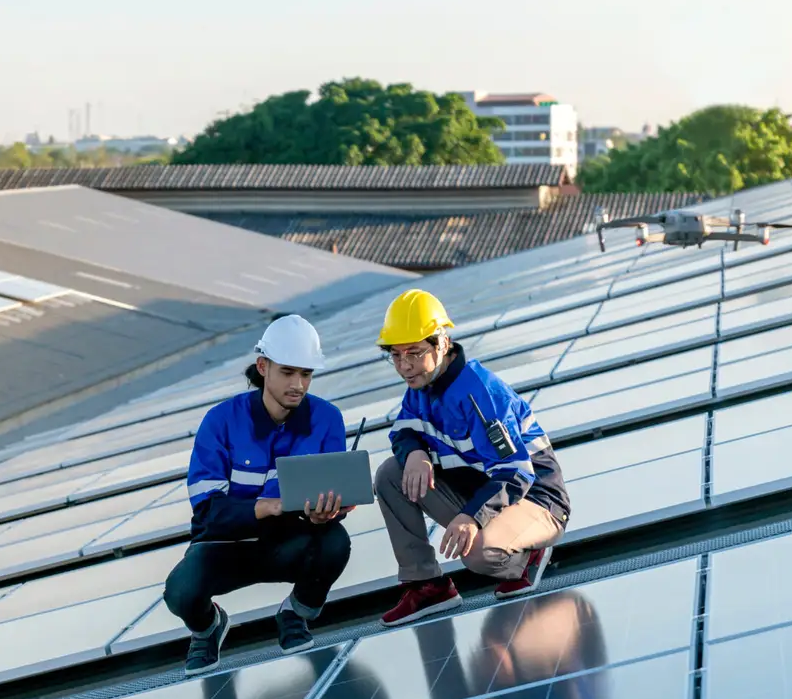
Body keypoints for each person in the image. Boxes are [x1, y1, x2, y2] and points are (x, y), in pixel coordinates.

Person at [164, 314, 353, 675]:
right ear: (263, 367)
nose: (298, 384)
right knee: (180, 593)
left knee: (334, 542)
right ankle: (208, 628)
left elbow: (332, 493)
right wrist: (268, 507)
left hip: (288, 542)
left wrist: (328, 512)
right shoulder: (220, 421)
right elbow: (207, 512)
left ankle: (295, 614)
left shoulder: (327, 419)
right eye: (288, 372)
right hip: (224, 547)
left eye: (307, 374)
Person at [373, 288, 571, 626]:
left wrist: (471, 517)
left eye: (414, 353)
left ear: (442, 343)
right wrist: (416, 452)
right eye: (395, 355)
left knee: (478, 554)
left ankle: (529, 555)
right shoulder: (421, 387)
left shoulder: (480, 394)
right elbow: (402, 431)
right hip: (484, 495)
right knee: (391, 473)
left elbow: (517, 473)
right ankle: (429, 586)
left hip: (536, 501)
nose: (404, 366)